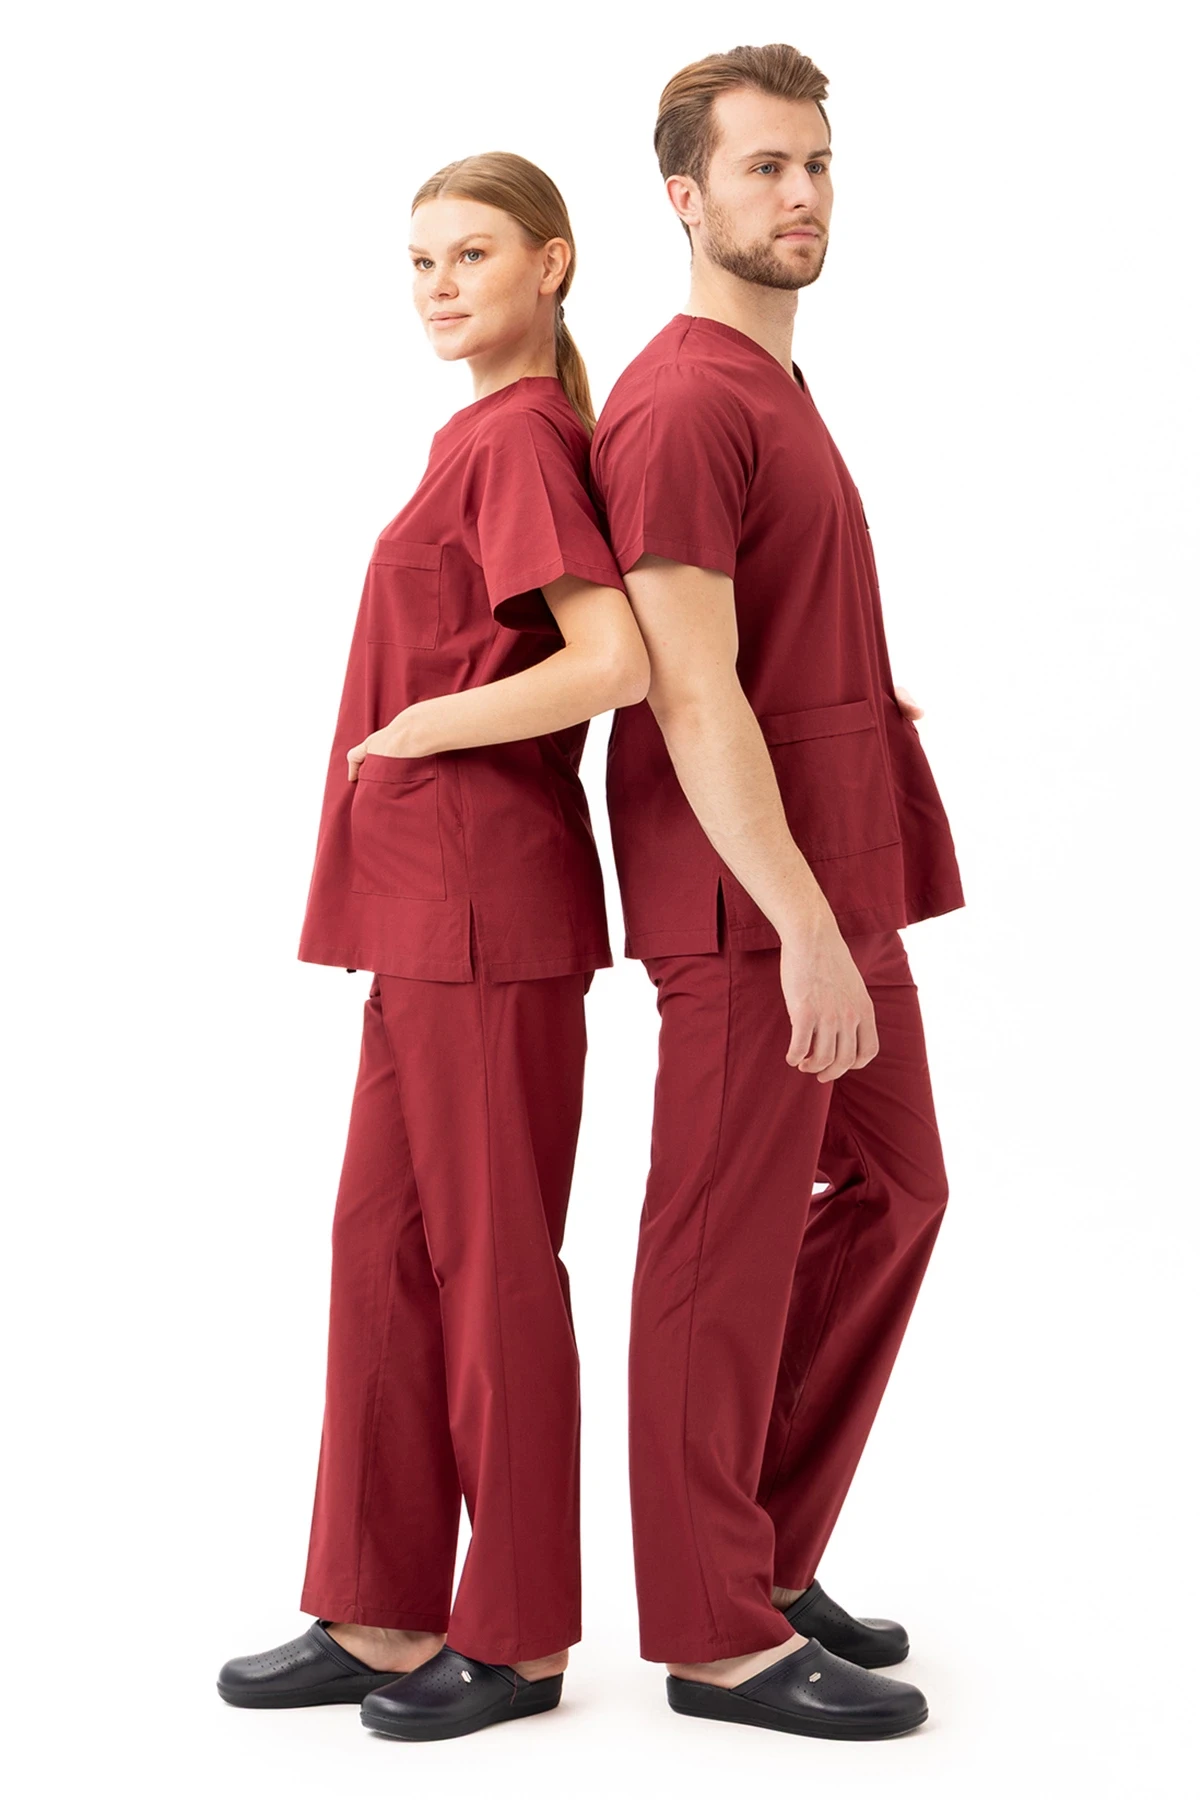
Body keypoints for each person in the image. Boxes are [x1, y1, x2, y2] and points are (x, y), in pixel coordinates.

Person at [217, 152, 648, 1742]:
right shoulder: (475, 433)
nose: (440, 285)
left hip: (485, 907)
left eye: (471, 254)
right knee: (381, 1256)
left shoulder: (525, 434)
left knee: (489, 1272)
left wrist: (423, 726)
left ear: (554, 264)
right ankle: (383, 1612)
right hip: (424, 912)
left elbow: (610, 658)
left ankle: (517, 1636)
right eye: (419, 261)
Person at [589, 44, 966, 1740]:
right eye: (763, 167)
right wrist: (805, 924)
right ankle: (712, 1633)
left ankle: (760, 1552)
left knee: (899, 1188)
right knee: (715, 1245)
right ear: (686, 197)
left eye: (815, 164)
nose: (801, 193)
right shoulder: (682, 400)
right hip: (758, 902)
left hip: (834, 875)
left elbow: (768, 638)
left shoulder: (773, 384)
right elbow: (687, 688)